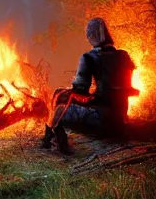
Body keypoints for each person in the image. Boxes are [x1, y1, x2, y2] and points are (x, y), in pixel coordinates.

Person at [41, 17, 138, 154]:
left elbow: (80, 90)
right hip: (120, 120)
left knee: (59, 100)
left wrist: (69, 93)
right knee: (62, 95)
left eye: (88, 35)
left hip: (101, 122)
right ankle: (53, 139)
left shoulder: (89, 57)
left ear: (92, 36)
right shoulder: (124, 55)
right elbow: (126, 87)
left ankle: (52, 141)